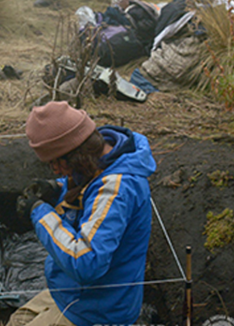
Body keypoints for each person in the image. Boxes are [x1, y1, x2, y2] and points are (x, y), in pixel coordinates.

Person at [11, 101, 156, 326]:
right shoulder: (103, 158)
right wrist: (58, 189)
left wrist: (40, 213)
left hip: (98, 310)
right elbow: (89, 189)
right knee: (17, 320)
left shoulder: (116, 190)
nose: (56, 170)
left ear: (74, 154)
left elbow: (86, 262)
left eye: (55, 164)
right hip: (74, 294)